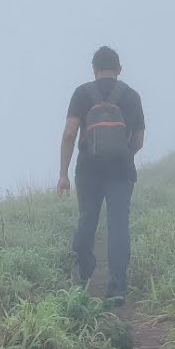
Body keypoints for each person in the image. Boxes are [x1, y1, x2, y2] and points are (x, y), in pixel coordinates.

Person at [58, 46, 145, 305]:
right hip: (121, 171)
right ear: (119, 69)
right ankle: (117, 288)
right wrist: (124, 155)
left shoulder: (82, 94)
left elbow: (69, 135)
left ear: (94, 69)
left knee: (87, 219)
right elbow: (139, 140)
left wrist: (63, 174)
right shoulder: (131, 96)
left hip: (88, 170)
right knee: (118, 226)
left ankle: (84, 276)